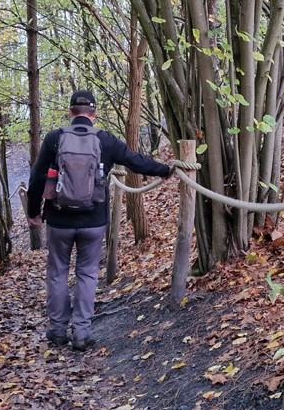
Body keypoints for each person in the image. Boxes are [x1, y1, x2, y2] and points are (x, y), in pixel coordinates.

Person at [26, 91, 174, 351]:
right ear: (94, 114)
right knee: (86, 273)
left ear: (70, 112)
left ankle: (58, 331)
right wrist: (164, 169)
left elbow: (37, 177)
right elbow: (134, 161)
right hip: (93, 221)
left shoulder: (54, 138)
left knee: (58, 272)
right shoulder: (105, 139)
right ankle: (81, 334)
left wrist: (33, 211)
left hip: (59, 220)